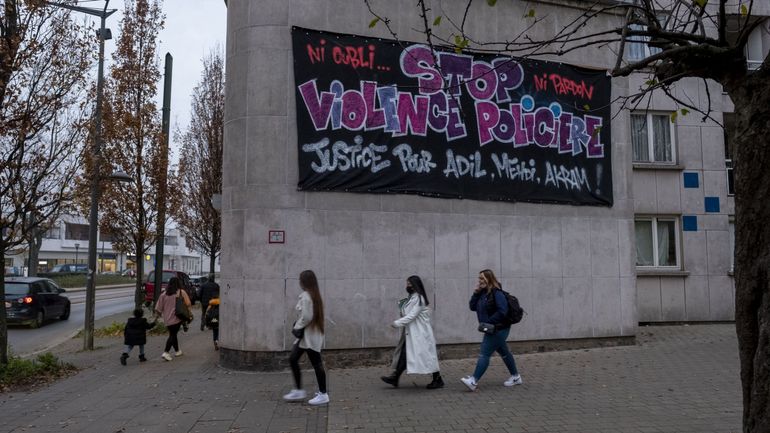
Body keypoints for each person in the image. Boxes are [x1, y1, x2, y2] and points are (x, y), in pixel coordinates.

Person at [460, 269, 522, 391]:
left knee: (484, 353)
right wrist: (476, 293)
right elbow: (472, 307)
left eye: (482, 278)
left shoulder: (497, 293)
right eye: (479, 278)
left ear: (490, 279)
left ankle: (473, 380)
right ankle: (516, 377)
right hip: (491, 328)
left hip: (499, 328)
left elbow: (502, 311)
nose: (480, 281)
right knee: (504, 352)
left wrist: (488, 322)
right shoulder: (483, 293)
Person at [381, 275, 443, 389]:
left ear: (415, 285)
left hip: (421, 334)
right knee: (405, 354)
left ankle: (438, 379)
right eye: (407, 283)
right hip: (412, 333)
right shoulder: (412, 297)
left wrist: (396, 323)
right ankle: (395, 378)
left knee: (428, 357)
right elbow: (407, 313)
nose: (407, 286)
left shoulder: (420, 299)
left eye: (409, 284)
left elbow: (411, 316)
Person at [283, 270, 329, 405]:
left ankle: (323, 394)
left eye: (300, 280)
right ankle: (298, 390)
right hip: (308, 336)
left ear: (305, 282)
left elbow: (307, 317)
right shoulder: (314, 295)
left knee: (316, 363)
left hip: (309, 337)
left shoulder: (306, 296)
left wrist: (296, 327)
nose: (299, 282)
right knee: (293, 359)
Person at [154, 276, 191, 361]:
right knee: (173, 335)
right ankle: (166, 352)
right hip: (177, 318)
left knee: (173, 334)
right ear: (178, 283)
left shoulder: (164, 294)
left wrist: (156, 318)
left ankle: (177, 351)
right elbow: (188, 303)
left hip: (167, 319)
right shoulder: (181, 292)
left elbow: (158, 308)